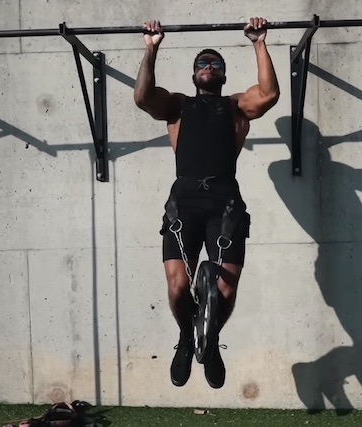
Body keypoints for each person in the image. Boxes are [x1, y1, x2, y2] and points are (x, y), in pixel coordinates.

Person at [133, 17, 280, 389]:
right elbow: (142, 97)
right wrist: (151, 48)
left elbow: (269, 94)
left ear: (224, 76)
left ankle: (210, 340)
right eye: (203, 64)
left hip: (224, 201)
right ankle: (187, 336)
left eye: (216, 64)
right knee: (179, 286)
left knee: (226, 288)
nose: (209, 67)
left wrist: (258, 42)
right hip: (184, 201)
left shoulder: (235, 108)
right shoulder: (178, 106)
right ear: (194, 74)